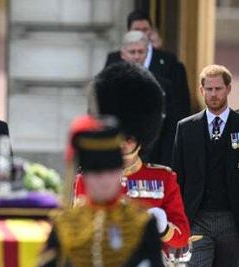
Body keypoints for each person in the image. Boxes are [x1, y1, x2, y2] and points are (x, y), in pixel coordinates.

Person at [74, 62, 190, 254]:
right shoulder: (87, 178)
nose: (125, 142)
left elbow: (182, 237)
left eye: (131, 137)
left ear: (143, 136)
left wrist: (164, 228)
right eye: (121, 136)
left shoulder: (164, 179)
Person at [39, 115, 164, 267]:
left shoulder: (143, 223)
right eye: (97, 173)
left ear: (120, 173)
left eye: (111, 172)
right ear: (85, 177)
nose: (104, 181)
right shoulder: (64, 225)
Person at [172, 64, 239, 266]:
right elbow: (177, 178)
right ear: (201, 90)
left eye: (218, 88)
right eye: (209, 89)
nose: (214, 94)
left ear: (229, 89)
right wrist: (178, 219)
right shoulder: (186, 127)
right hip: (197, 218)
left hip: (233, 218)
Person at [105, 10, 191, 121]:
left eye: (145, 29)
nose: (136, 56)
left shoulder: (168, 60)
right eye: (137, 29)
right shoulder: (114, 59)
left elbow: (179, 101)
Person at [120, 30, 178, 166]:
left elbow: (170, 130)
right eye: (132, 52)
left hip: (153, 160)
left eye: (141, 52)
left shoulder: (164, 86)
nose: (136, 56)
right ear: (123, 54)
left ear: (147, 54)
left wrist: (164, 164)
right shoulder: (109, 84)